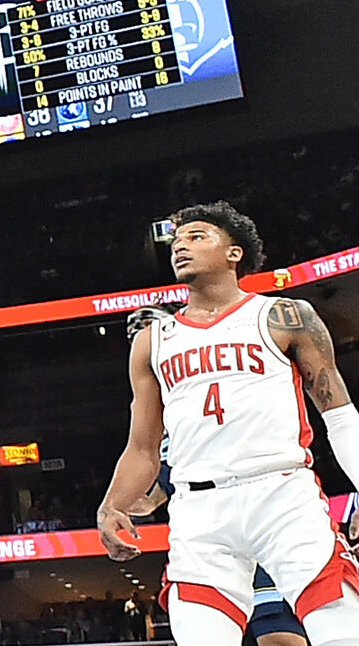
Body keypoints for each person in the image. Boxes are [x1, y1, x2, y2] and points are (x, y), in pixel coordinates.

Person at [97, 203, 359, 646]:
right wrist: (112, 505)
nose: (181, 245)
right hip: (199, 507)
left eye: (197, 236)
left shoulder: (284, 316)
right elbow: (143, 447)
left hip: (281, 493)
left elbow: (339, 415)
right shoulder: (152, 340)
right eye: (178, 240)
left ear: (234, 252)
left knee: (342, 630)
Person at [124, 306, 311, 646]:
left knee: (278, 637)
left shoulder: (228, 356)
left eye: (148, 327)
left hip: (265, 498)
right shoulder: (154, 401)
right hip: (206, 518)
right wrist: (138, 500)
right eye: (134, 333)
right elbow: (165, 466)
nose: (141, 335)